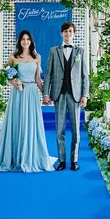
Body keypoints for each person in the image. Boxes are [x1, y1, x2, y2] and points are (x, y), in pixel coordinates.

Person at [0, 30, 53, 172]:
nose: (25, 41)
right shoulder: (13, 57)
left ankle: (30, 156)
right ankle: (15, 157)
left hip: (31, 93)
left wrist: (46, 94)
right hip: (18, 94)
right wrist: (14, 82)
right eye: (23, 39)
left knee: (31, 123)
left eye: (28, 39)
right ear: (19, 41)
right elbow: (7, 76)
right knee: (17, 122)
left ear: (31, 41)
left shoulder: (37, 57)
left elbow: (38, 79)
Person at [42, 22, 89, 171]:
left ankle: (74, 160)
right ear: (61, 33)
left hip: (75, 95)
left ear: (73, 33)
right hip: (59, 93)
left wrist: (84, 95)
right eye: (65, 31)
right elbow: (48, 74)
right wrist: (46, 93)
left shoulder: (80, 51)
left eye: (70, 31)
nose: (68, 34)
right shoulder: (54, 51)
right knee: (59, 129)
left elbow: (85, 76)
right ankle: (62, 160)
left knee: (76, 130)